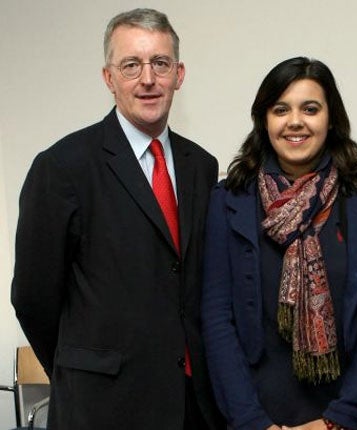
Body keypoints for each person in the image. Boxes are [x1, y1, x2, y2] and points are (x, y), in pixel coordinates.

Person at [11, 8, 224, 430]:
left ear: (179, 74)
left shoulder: (201, 165)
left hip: (190, 406)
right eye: (131, 65)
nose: (148, 79)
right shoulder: (63, 167)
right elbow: (33, 299)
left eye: (160, 63)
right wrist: (82, 372)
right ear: (109, 78)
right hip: (101, 408)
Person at [200, 57, 357, 430]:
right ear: (264, 120)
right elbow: (217, 319)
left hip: (349, 416)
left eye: (310, 109)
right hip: (254, 416)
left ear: (331, 118)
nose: (295, 121)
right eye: (281, 110)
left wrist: (338, 419)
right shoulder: (229, 200)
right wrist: (252, 421)